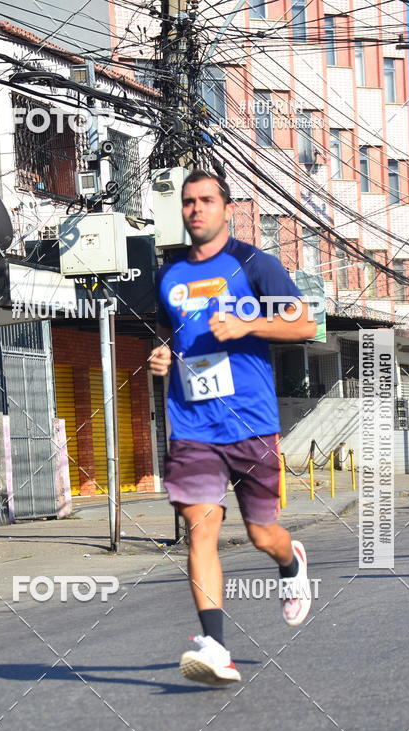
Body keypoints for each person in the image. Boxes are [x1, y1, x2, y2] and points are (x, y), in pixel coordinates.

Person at [149, 170, 316, 686]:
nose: (196, 209)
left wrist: (249, 325)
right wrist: (163, 356)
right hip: (192, 424)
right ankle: (214, 645)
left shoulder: (254, 264)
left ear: (226, 209)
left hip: (251, 421)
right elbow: (177, 338)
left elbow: (306, 323)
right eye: (188, 202)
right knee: (202, 529)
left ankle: (291, 566)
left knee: (262, 533)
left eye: (206, 200)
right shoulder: (170, 277)